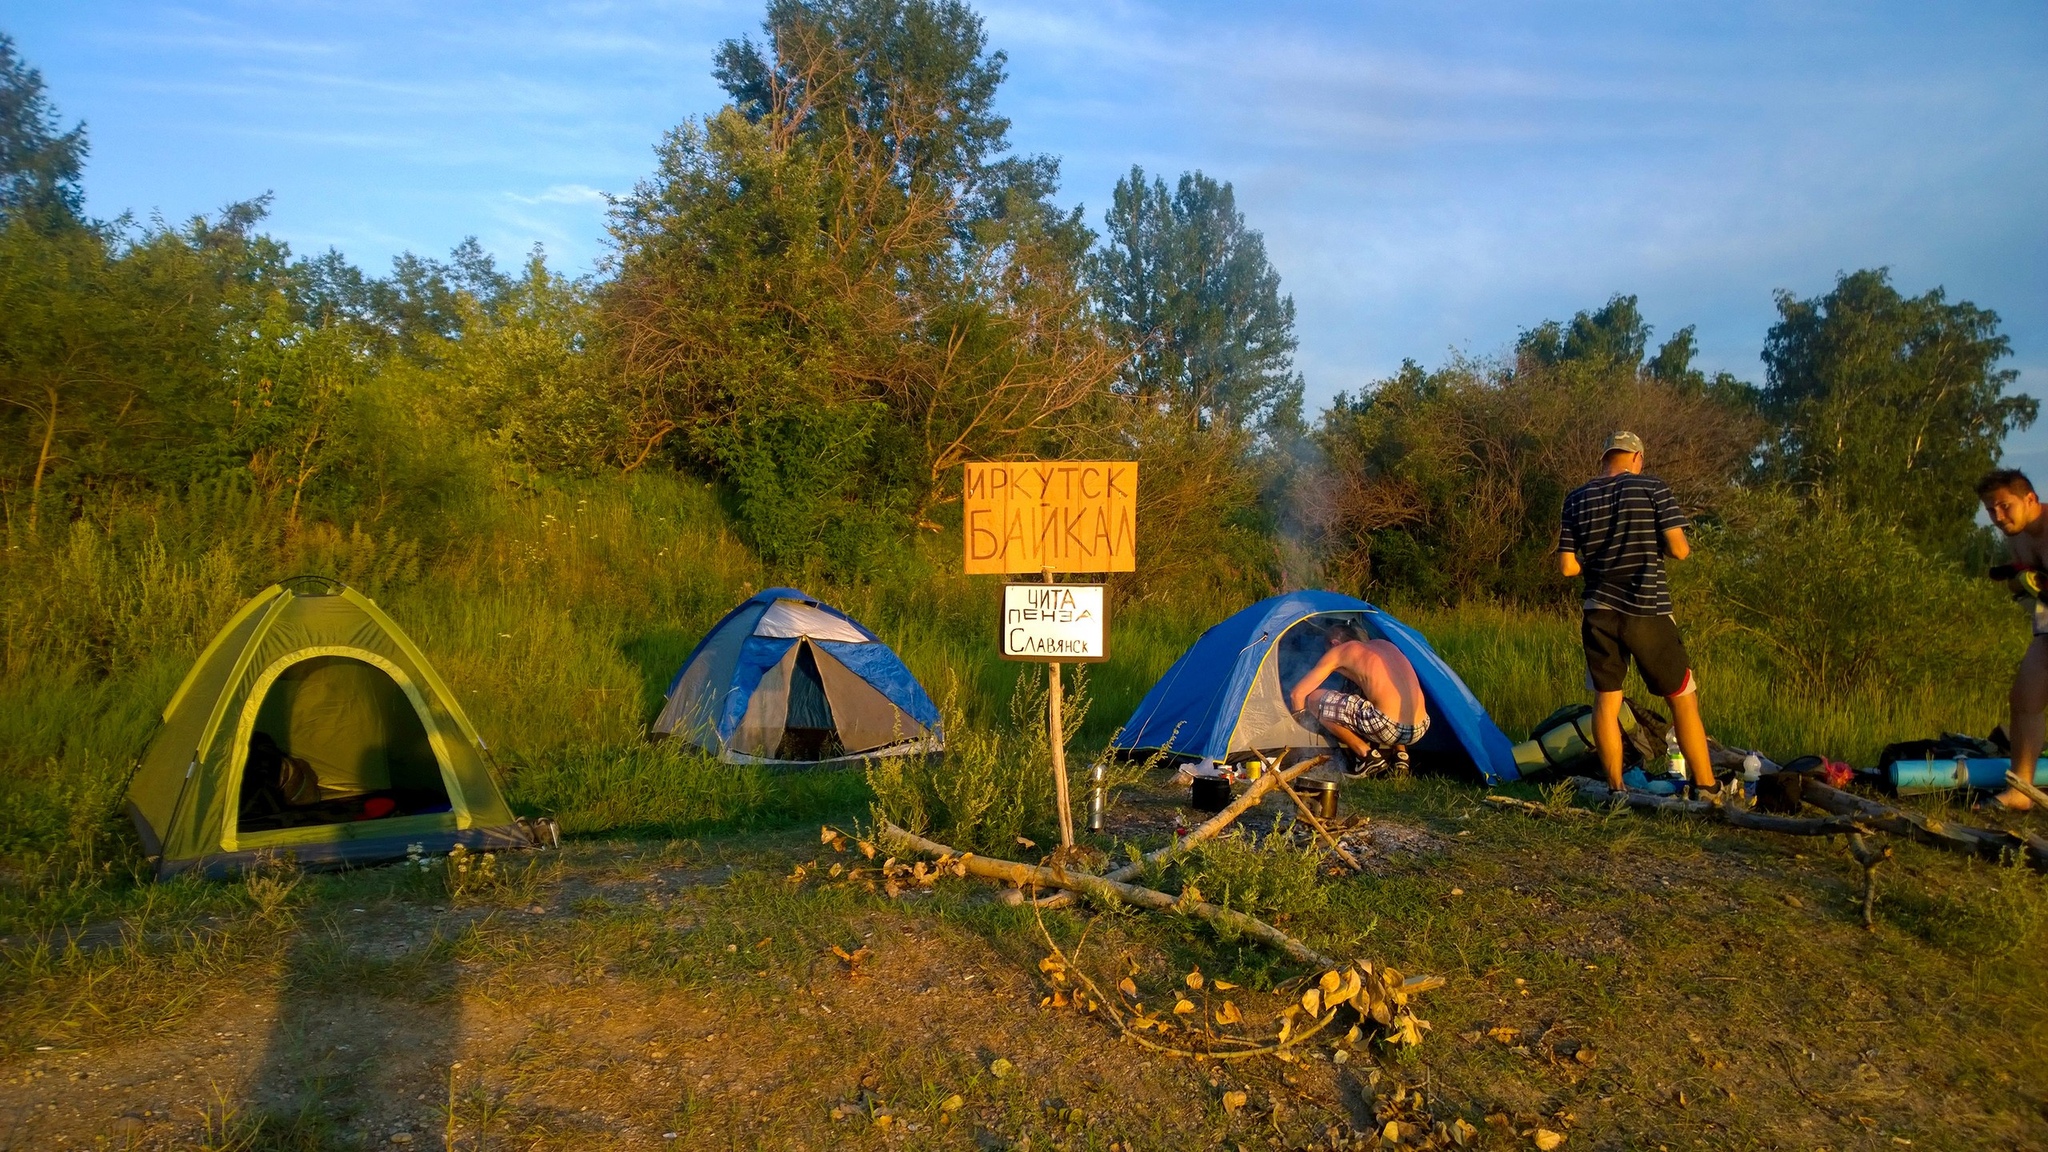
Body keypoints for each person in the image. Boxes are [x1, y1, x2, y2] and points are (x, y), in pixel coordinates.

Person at [1557, 431, 1713, 793]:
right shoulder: (1653, 488)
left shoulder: (1576, 498)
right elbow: (1680, 550)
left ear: (1605, 458)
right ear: (1637, 458)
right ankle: (1706, 786)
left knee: (1606, 700)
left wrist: (1594, 563)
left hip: (1599, 612)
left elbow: (1567, 566)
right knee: (1681, 697)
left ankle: (1615, 788)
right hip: (1647, 608)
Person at [1977, 469, 2048, 811]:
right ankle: (2021, 790)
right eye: (1991, 510)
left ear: (2030, 499)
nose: (1998, 517)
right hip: (2047, 624)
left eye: (2005, 506)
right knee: (2024, 698)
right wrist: (2018, 579)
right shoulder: (2016, 535)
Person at [1286, 622, 1430, 777]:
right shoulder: (1384, 646)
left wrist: (1301, 721)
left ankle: (1366, 756)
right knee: (1383, 697)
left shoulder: (1340, 651)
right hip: (1419, 727)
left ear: (1334, 643)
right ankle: (1401, 756)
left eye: (1326, 649)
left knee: (1315, 698)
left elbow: (1297, 694)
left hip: (1387, 727)